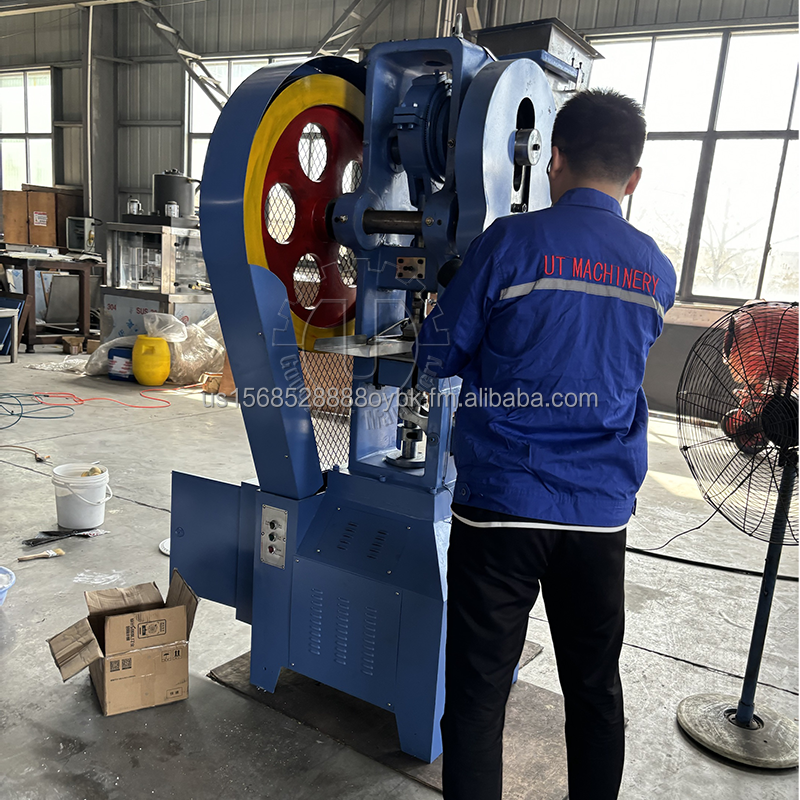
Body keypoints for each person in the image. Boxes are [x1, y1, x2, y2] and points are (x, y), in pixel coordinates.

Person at [414, 89, 677, 800]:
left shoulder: (509, 244)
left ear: (552, 159)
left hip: (499, 508)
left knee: (477, 698)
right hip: (598, 516)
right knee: (594, 691)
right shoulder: (655, 270)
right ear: (634, 177)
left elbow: (439, 355)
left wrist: (446, 307)